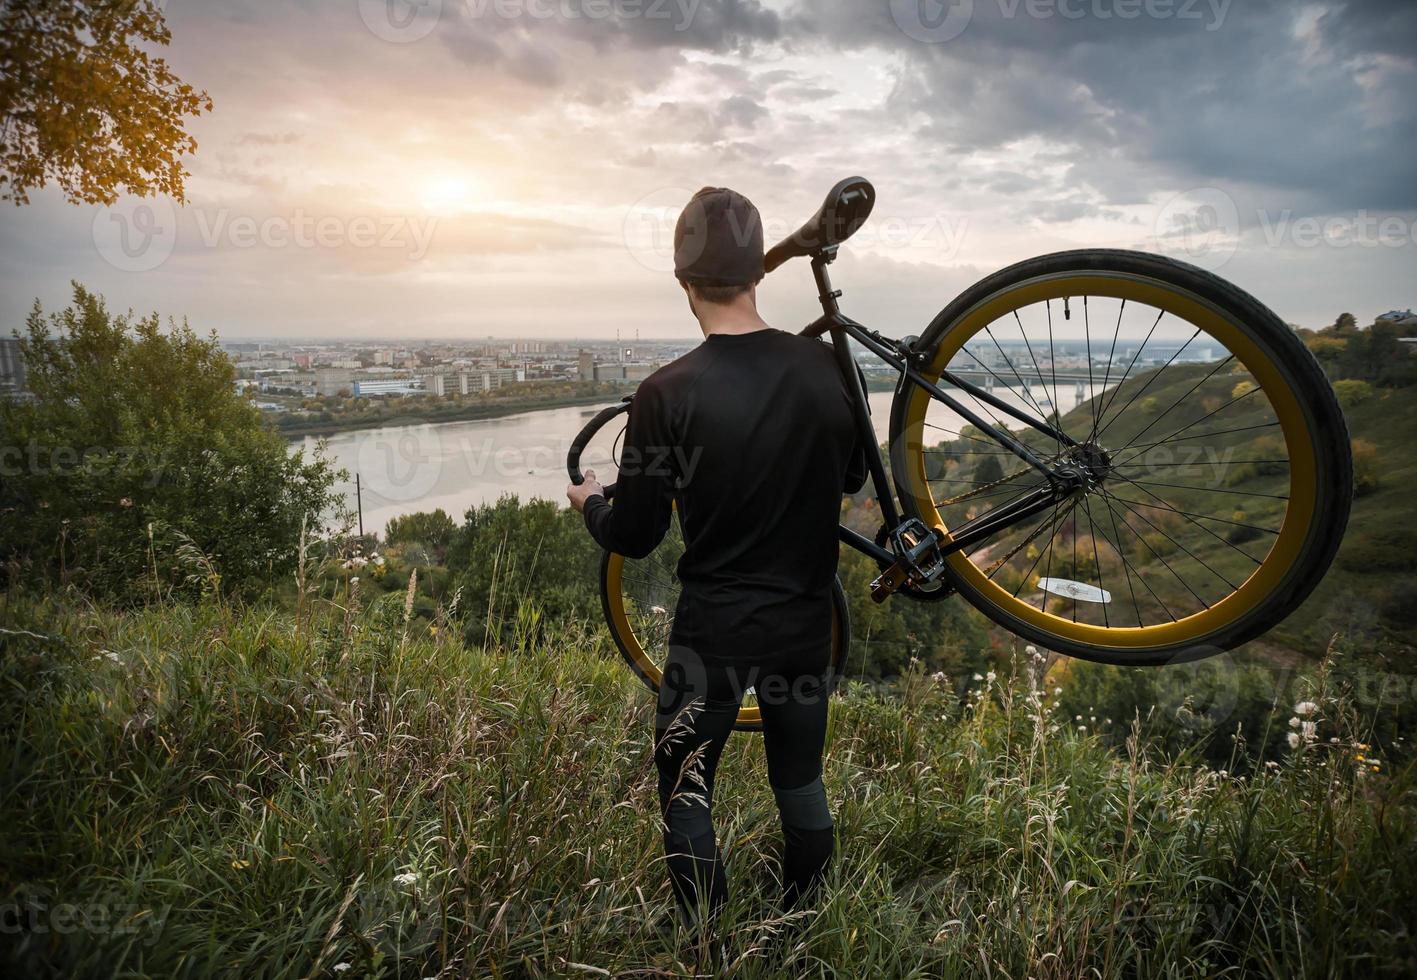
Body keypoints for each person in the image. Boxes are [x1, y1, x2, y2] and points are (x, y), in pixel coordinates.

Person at [566, 186, 866, 926]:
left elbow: (635, 537)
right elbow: (853, 476)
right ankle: (797, 929)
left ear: (682, 281)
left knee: (686, 794)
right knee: (800, 784)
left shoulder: (665, 392)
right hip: (804, 627)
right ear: (759, 273)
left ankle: (707, 948)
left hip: (713, 635)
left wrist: (591, 505)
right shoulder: (826, 366)